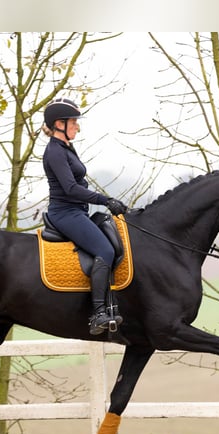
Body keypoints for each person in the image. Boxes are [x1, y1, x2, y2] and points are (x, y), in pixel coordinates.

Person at [42, 97, 128, 335]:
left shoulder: (66, 147)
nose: (78, 127)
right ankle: (99, 314)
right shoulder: (54, 152)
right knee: (105, 250)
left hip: (78, 211)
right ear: (59, 123)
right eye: (74, 122)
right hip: (65, 213)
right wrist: (105, 200)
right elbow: (70, 189)